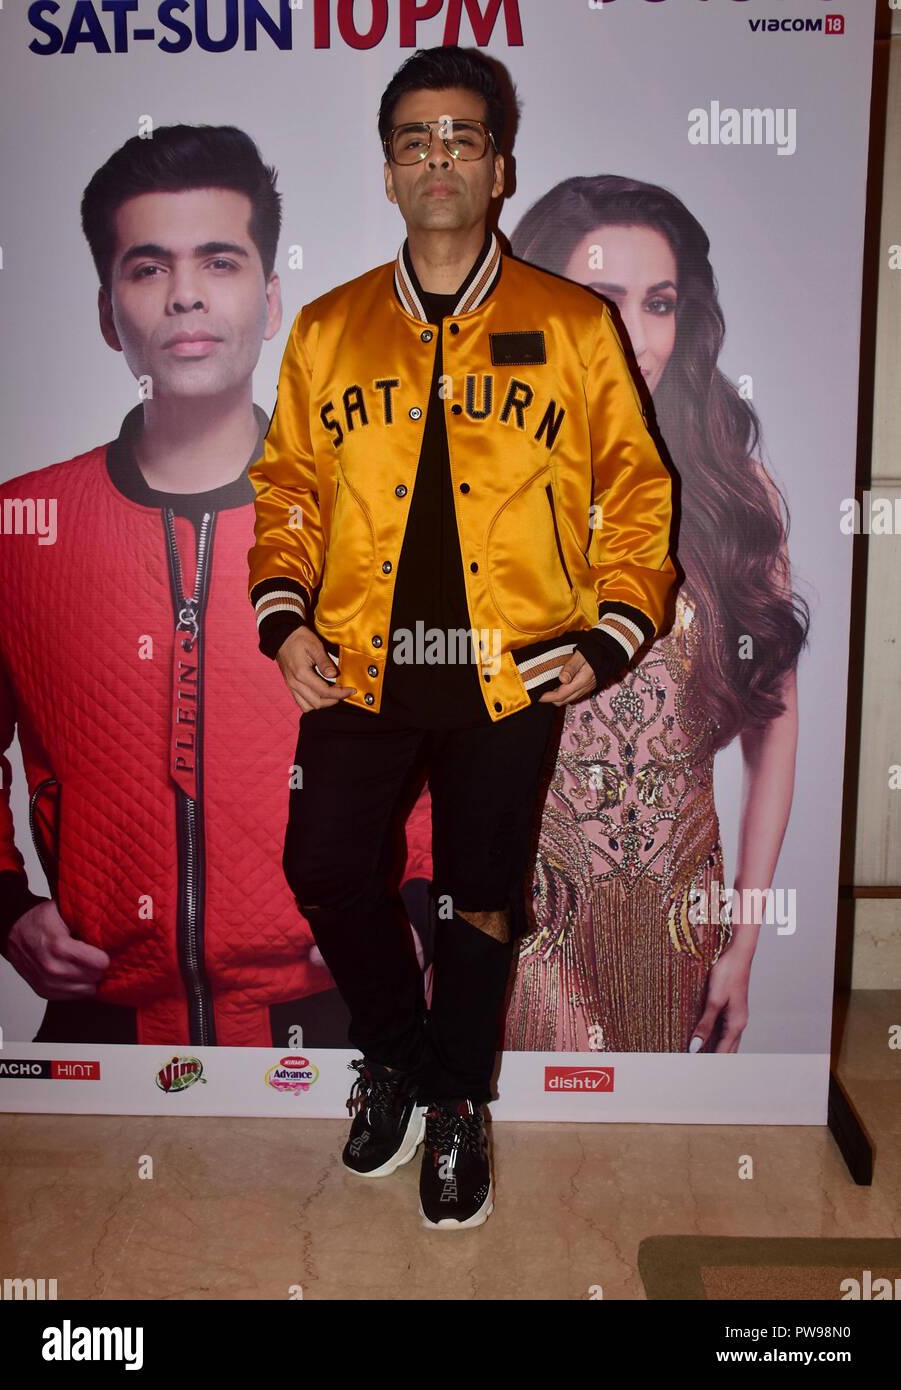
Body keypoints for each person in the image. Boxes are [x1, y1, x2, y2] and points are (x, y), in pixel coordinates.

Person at [248, 51, 676, 1227]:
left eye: (462, 137)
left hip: (507, 666)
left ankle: (459, 1107)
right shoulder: (331, 328)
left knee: (482, 896)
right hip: (359, 661)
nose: (439, 157)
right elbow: (284, 485)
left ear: (500, 167)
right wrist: (282, 615)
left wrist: (614, 626)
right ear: (389, 173)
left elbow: (639, 491)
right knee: (327, 867)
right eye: (416, 140)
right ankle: (393, 1052)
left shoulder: (573, 325)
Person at [0, 123, 433, 1048]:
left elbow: (439, 736)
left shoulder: (374, 517)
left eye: (219, 262)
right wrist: (2, 903)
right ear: (108, 312)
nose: (185, 294)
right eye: (147, 268)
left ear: (270, 301)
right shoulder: (19, 526)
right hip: (100, 1024)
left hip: (339, 1008)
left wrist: (415, 908)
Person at [501, 175, 809, 1054]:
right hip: (531, 913)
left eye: (658, 302)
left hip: (684, 920)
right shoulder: (484, 470)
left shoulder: (727, 489)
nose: (633, 332)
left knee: (653, 1170)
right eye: (599, 300)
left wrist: (743, 944)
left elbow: (774, 733)